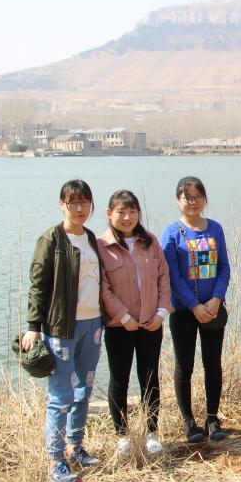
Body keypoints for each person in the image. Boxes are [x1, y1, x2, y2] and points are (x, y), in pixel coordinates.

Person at [23, 179, 105, 482]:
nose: (80, 209)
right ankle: (55, 460)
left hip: (93, 323)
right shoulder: (51, 239)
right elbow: (38, 286)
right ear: (62, 204)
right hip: (61, 327)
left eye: (85, 203)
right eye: (73, 203)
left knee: (84, 389)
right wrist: (33, 327)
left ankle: (75, 446)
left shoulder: (91, 237)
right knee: (61, 396)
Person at [97, 190, 171, 458]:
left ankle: (152, 433)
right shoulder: (101, 246)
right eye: (121, 212)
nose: (127, 217)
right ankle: (122, 436)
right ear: (109, 214)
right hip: (119, 326)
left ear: (139, 213)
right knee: (119, 380)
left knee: (150, 378)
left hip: (151, 323)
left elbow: (163, 277)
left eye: (132, 212)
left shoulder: (149, 242)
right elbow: (103, 288)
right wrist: (124, 317)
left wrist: (161, 312)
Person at [161, 176, 232, 444]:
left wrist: (216, 299)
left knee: (213, 364)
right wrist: (193, 305)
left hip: (213, 309)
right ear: (178, 200)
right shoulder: (171, 232)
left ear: (204, 199)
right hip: (183, 311)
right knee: (184, 366)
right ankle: (189, 422)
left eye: (197, 197)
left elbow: (223, 267)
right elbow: (172, 275)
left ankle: (212, 418)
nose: (192, 202)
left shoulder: (215, 229)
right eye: (187, 197)